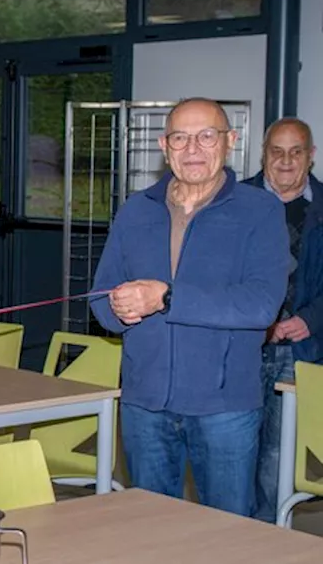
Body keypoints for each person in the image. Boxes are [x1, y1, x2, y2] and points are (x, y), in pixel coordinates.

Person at [91, 97, 289, 517]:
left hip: (225, 409)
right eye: (180, 138)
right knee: (150, 528)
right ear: (164, 146)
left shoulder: (260, 211)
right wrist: (117, 310)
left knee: (228, 534)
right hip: (145, 403)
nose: (193, 149)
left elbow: (260, 305)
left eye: (206, 136)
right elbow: (99, 297)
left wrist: (166, 297)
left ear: (230, 141)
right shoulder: (135, 210)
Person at [242, 117, 323, 522]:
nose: (286, 160)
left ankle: (264, 540)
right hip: (241, 346)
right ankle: (222, 534)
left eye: (296, 151)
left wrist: (311, 318)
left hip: (300, 347)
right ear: (264, 155)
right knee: (231, 445)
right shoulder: (234, 202)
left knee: (276, 452)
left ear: (311, 156)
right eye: (277, 151)